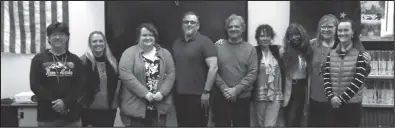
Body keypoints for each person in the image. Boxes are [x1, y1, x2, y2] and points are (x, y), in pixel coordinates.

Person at [118, 23, 176, 127]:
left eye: (151, 35)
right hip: (136, 107)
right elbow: (126, 75)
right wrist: (145, 93)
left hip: (159, 105)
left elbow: (171, 74)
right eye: (144, 35)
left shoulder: (165, 53)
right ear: (138, 37)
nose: (148, 38)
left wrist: (162, 93)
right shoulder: (129, 53)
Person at [30, 22, 85, 126]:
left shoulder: (75, 60)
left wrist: (65, 102)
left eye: (61, 34)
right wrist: (55, 102)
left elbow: (80, 85)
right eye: (54, 34)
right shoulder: (38, 59)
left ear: (67, 37)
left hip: (71, 115)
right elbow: (35, 85)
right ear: (49, 38)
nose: (57, 37)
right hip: (46, 116)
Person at [172, 11, 218, 127]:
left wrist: (206, 92)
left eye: (192, 22)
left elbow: (213, 67)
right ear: (182, 25)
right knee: (182, 125)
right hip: (179, 94)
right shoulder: (176, 43)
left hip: (199, 96)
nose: (189, 24)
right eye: (186, 22)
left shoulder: (205, 42)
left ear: (198, 26)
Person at [323, 16, 371, 127]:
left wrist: (341, 99)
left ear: (353, 32)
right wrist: (331, 97)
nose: (342, 33)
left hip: (352, 106)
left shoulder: (360, 53)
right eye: (339, 30)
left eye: (346, 30)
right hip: (333, 104)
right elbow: (326, 77)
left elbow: (358, 80)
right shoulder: (331, 53)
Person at [212, 14, 258, 127]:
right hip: (222, 96)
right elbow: (213, 70)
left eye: (237, 26)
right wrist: (225, 89)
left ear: (243, 28)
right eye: (230, 26)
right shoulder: (218, 47)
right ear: (226, 29)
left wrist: (236, 90)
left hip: (243, 97)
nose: (233, 29)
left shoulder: (250, 49)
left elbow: (252, 73)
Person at [79, 31, 119, 127]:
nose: (98, 44)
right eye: (95, 41)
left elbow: (117, 84)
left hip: (109, 108)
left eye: (101, 41)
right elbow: (78, 86)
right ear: (90, 44)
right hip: (89, 108)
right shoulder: (83, 61)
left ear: (105, 43)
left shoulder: (112, 61)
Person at [305, 14, 339, 127]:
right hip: (315, 97)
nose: (326, 29)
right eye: (323, 26)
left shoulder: (342, 45)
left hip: (336, 97)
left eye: (330, 27)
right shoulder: (312, 45)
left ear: (336, 28)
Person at [249, 24, 285, 127]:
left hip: (275, 94)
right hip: (259, 94)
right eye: (262, 36)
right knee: (260, 124)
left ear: (271, 37)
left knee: (270, 125)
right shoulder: (253, 51)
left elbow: (295, 47)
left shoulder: (277, 51)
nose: (265, 38)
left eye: (267, 35)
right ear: (257, 38)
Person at [282, 23, 310, 127]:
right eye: (291, 35)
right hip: (288, 87)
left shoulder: (307, 50)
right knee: (289, 117)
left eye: (297, 34)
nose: (294, 37)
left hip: (301, 87)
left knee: (298, 117)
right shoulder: (284, 51)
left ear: (302, 34)